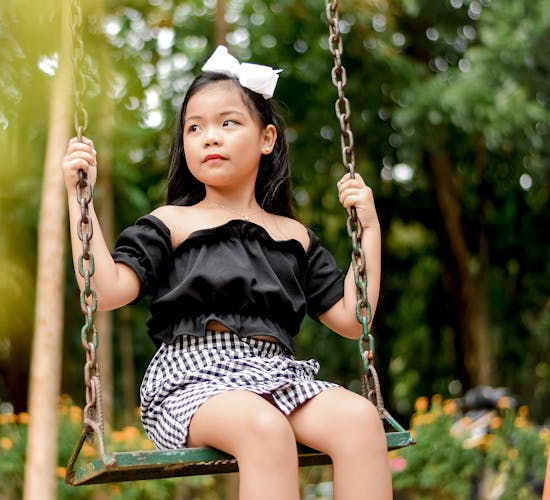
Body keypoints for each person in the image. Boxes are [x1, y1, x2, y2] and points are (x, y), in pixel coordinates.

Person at [62, 45, 392, 500]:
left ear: (267, 139)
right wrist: (79, 200)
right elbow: (106, 289)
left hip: (276, 375)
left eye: (227, 123)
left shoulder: (293, 236)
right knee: (264, 428)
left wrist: (368, 230)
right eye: (194, 128)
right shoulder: (173, 224)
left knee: (358, 420)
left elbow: (354, 321)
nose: (209, 137)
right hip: (192, 379)